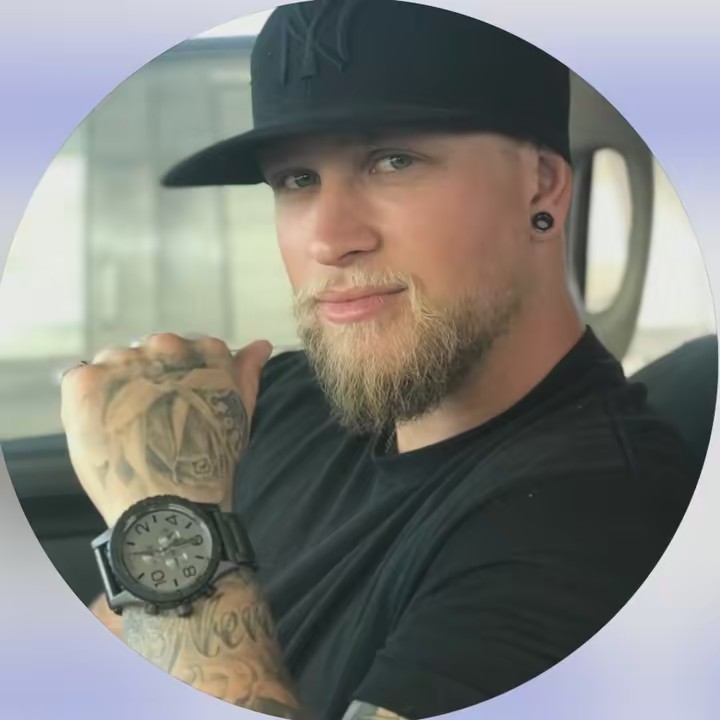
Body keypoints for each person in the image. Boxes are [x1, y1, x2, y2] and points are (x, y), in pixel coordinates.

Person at [62, 1, 696, 719]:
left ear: (542, 187)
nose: (329, 239)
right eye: (297, 180)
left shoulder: (592, 521)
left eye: (393, 161)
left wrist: (172, 526)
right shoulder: (276, 402)